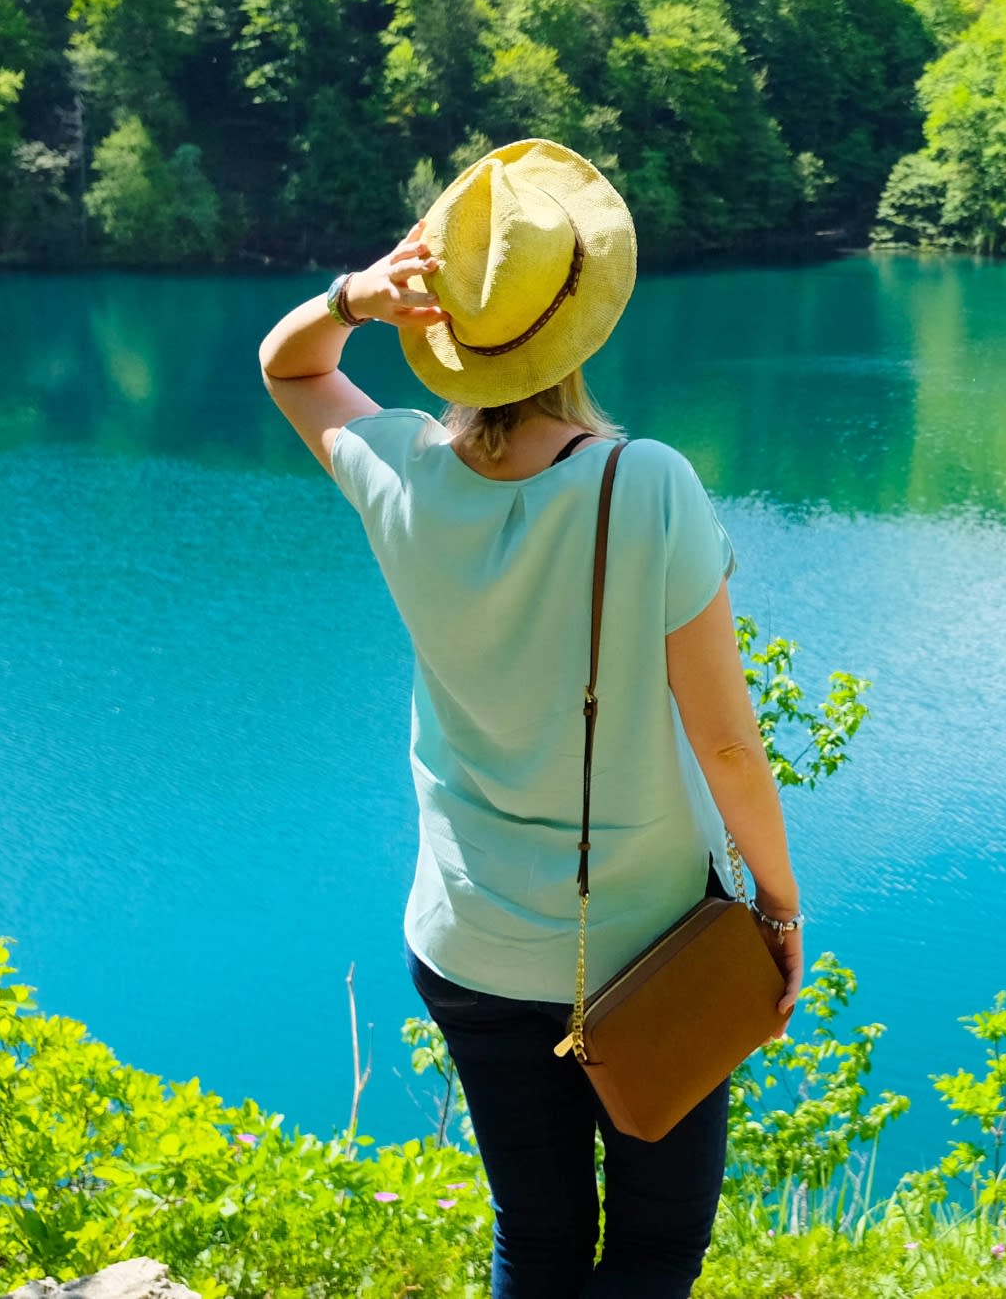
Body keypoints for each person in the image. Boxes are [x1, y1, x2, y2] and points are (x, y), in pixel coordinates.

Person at [256, 138, 804, 1299]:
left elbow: (290, 368)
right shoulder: (643, 482)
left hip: (466, 943)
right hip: (646, 945)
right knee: (654, 1250)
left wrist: (351, 297)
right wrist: (779, 906)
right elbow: (724, 743)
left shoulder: (396, 467)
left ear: (445, 322)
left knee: (537, 1239)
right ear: (583, 318)